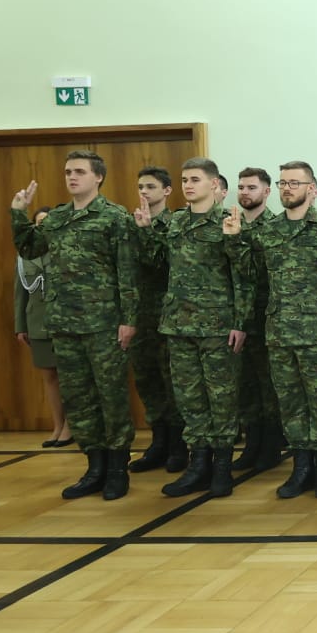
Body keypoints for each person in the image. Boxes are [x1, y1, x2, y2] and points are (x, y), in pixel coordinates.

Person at [10, 151, 138, 500]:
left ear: (98, 177)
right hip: (64, 324)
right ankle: (94, 467)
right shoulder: (57, 218)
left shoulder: (114, 217)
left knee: (111, 396)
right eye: (68, 172)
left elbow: (128, 272)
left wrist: (129, 320)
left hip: (103, 323)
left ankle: (117, 469)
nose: (72, 177)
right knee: (78, 399)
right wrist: (19, 212)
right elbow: (29, 248)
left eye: (79, 171)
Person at [225, 160, 317, 499]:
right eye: (283, 183)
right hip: (280, 329)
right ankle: (301, 467)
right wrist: (235, 241)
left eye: (294, 183)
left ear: (311, 189)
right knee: (290, 402)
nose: (287, 189)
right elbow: (253, 274)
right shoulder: (269, 231)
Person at [136, 157, 249, 498]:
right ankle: (198, 465)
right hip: (179, 326)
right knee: (189, 399)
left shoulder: (229, 222)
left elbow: (245, 276)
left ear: (214, 184)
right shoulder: (175, 222)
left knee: (221, 399)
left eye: (195, 179)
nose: (188, 185)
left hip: (217, 325)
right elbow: (157, 264)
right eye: (184, 179)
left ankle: (222, 467)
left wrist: (240, 323)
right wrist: (145, 231)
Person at [127, 166, 183, 474]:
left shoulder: (176, 224)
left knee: (172, 381)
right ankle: (158, 442)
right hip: (139, 315)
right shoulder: (131, 223)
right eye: (140, 187)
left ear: (166, 190)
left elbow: (163, 264)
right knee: (147, 380)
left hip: (168, 315)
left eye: (150, 186)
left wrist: (148, 230)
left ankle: (178, 445)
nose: (144, 192)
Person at [231, 167, 284, 472]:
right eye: (241, 187)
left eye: (251, 187)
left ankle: (271, 446)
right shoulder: (230, 224)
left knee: (269, 385)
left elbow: (257, 272)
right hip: (237, 318)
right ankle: (252, 444)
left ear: (266, 191)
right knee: (245, 385)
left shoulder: (275, 227)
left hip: (267, 315)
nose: (245, 192)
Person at [15, 207, 69, 447]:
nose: (43, 227)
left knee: (70, 376)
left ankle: (70, 427)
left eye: (47, 223)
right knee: (50, 377)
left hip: (65, 322)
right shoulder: (25, 255)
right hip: (37, 322)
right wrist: (20, 326)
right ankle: (57, 425)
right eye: (39, 224)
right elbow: (20, 293)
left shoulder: (64, 250)